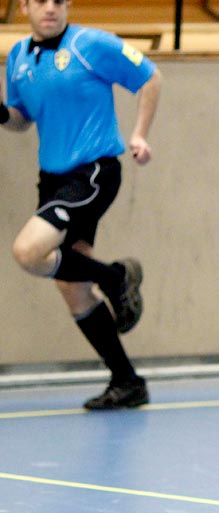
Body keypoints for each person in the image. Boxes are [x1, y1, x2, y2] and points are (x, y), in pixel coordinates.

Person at [0, 0, 161, 409]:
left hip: (92, 172)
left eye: (58, 0)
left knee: (28, 251)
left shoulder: (90, 44)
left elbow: (150, 77)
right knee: (71, 285)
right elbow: (22, 118)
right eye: (40, 0)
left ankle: (114, 277)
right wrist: (3, 112)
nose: (50, 8)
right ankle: (127, 381)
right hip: (52, 179)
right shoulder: (18, 57)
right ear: (24, 7)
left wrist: (139, 134)